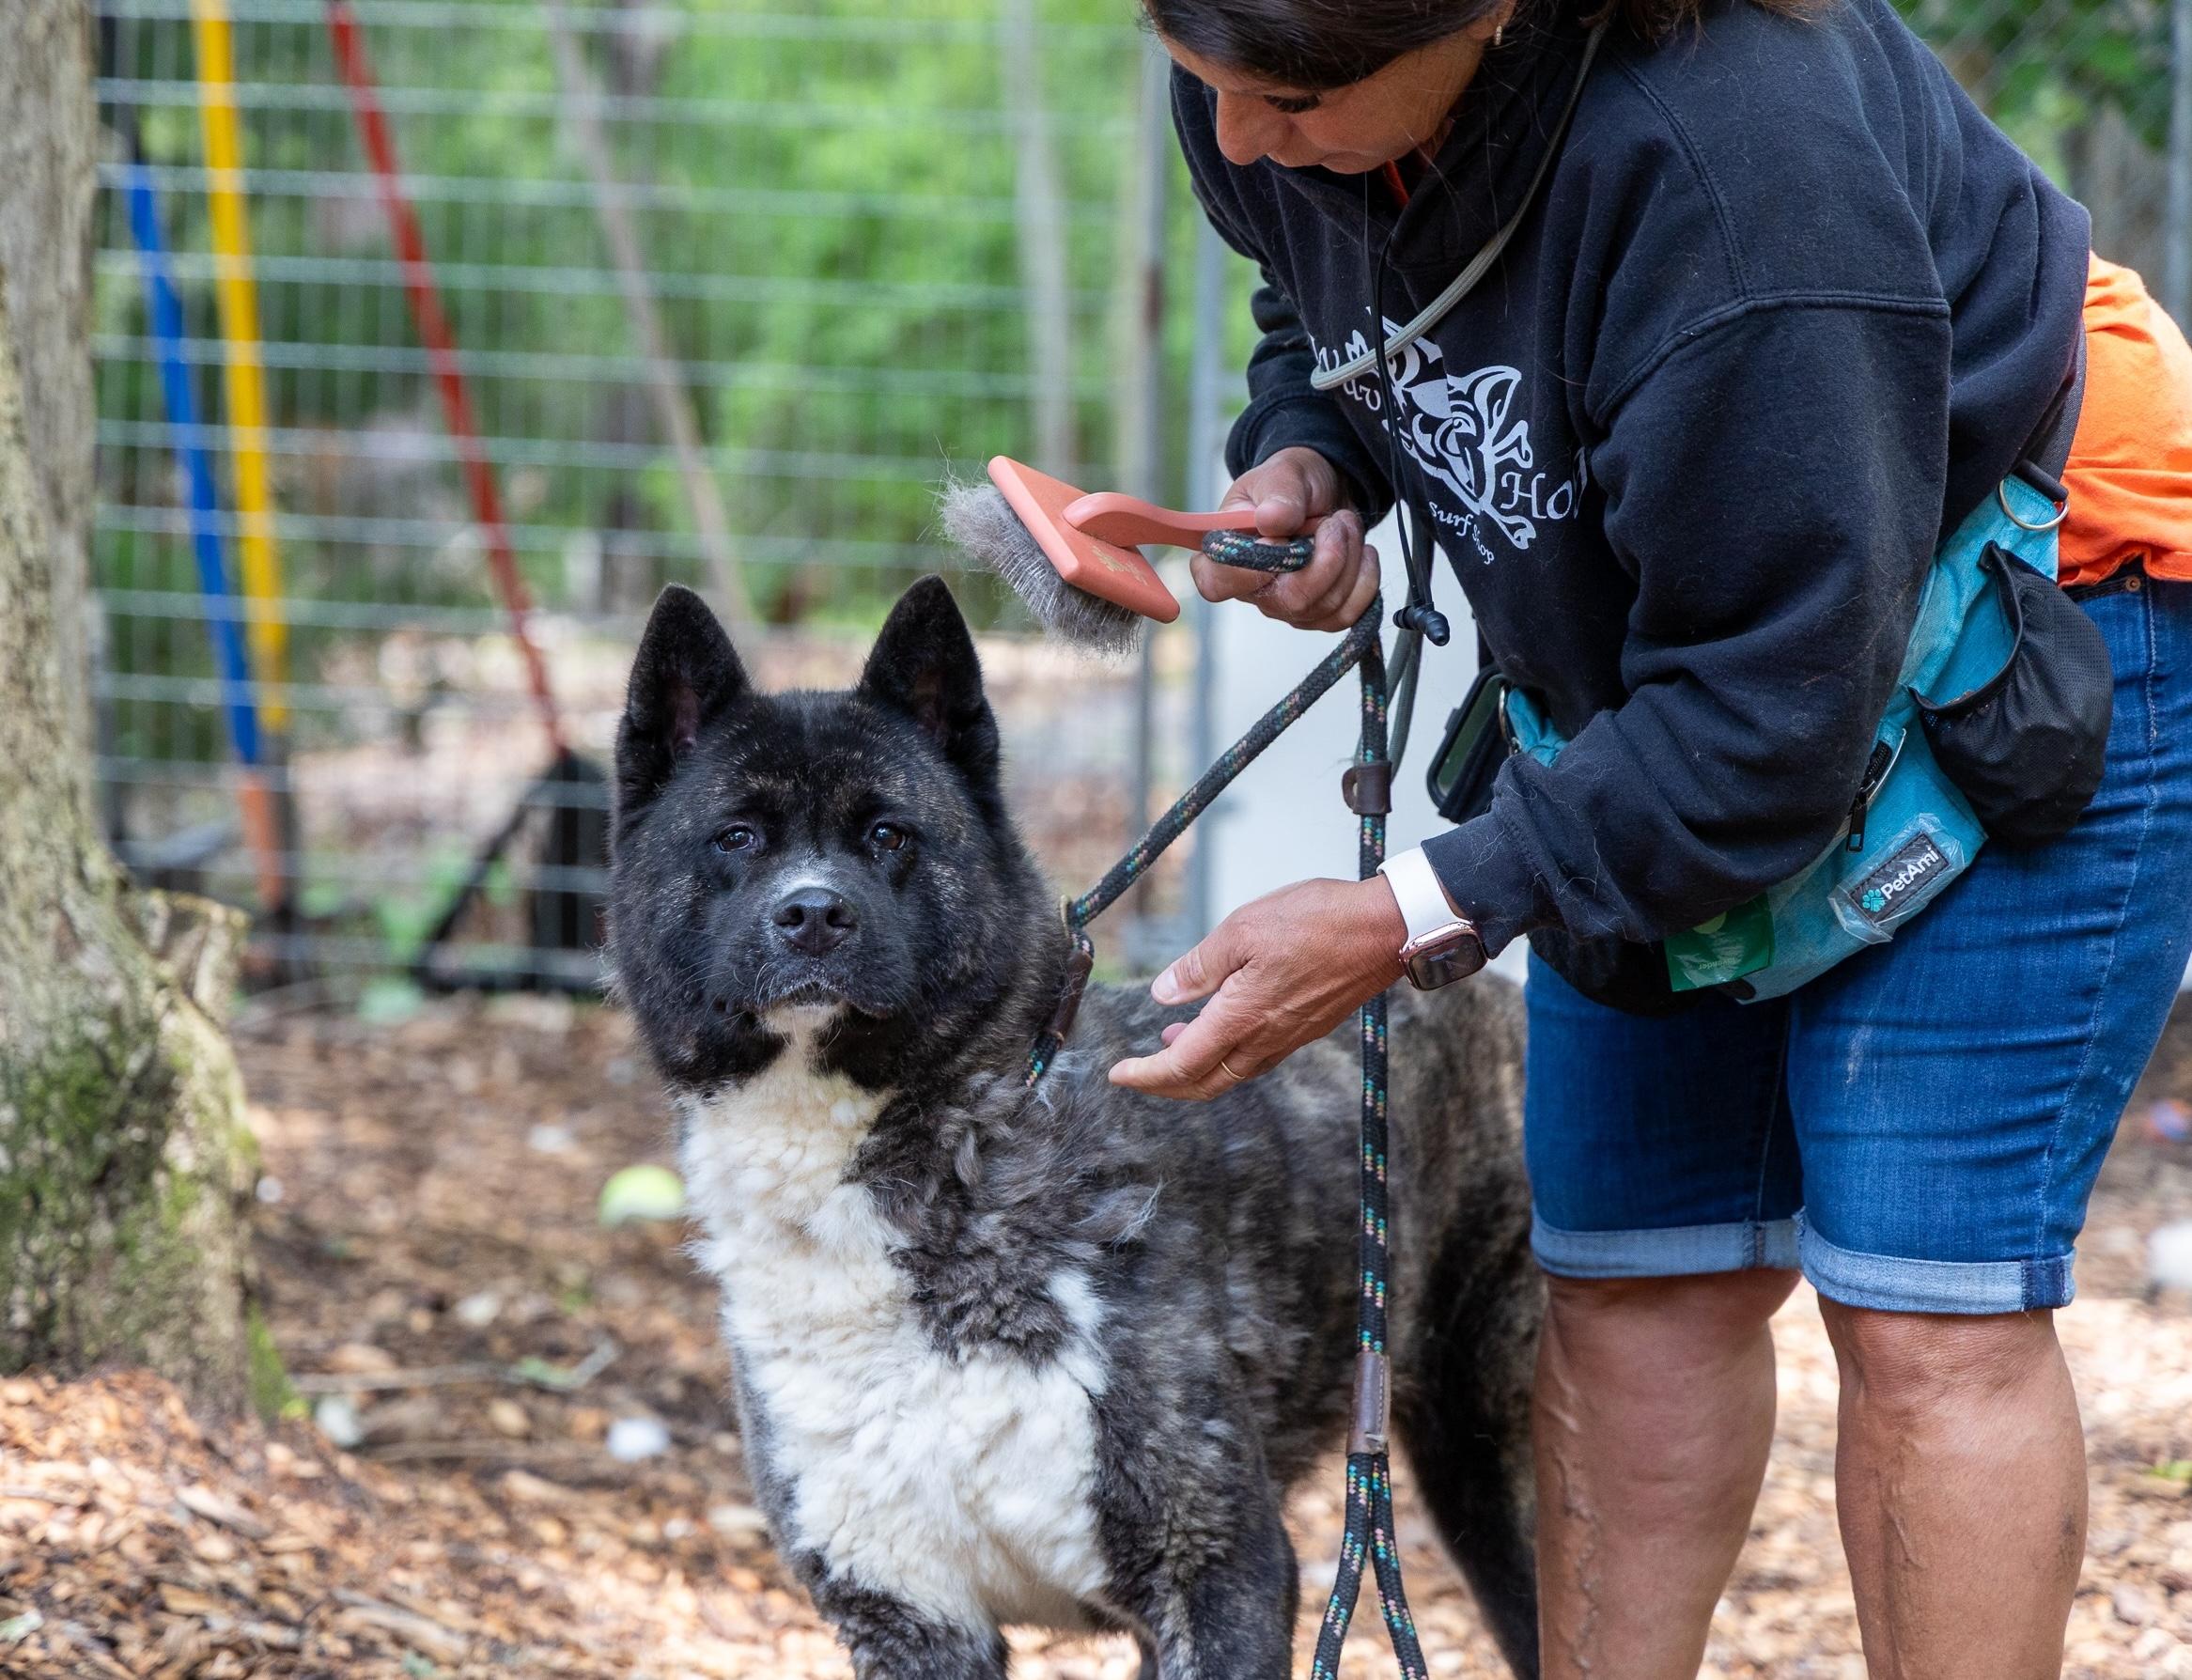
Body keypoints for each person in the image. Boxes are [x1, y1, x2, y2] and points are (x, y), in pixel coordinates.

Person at [1105, 0, 2192, 1673]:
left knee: (1924, 1304)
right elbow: (1315, 304)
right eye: (1207, 83)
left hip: (2033, 596)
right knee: (1627, 1275)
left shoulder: (1732, 164)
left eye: (1295, 98)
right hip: (1684, 669)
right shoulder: (1271, 81)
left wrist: (1407, 912)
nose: (1240, 140)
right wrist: (1314, 461)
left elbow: (1768, 719)